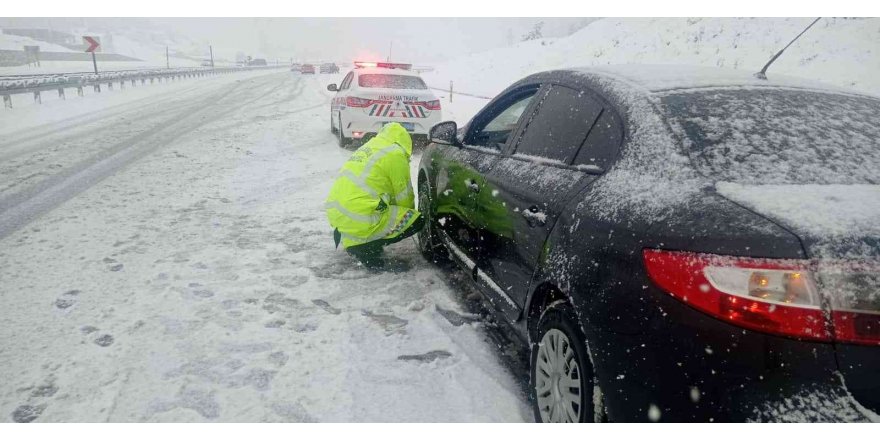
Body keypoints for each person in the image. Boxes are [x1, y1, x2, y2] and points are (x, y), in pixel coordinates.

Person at [325, 122, 424, 270]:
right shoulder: (396, 154)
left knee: (379, 209)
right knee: (417, 220)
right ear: (405, 141)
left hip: (340, 213)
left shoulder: (370, 147)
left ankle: (360, 242)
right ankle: (366, 248)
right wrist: (408, 218)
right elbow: (404, 196)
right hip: (360, 215)